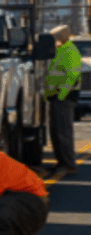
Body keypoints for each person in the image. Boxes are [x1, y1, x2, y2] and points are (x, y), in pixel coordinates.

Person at [44, 25, 82, 180]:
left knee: (63, 133)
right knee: (56, 133)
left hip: (64, 97)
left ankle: (68, 165)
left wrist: (62, 95)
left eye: (55, 38)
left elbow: (72, 76)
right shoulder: (60, 50)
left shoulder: (70, 51)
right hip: (56, 96)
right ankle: (61, 163)